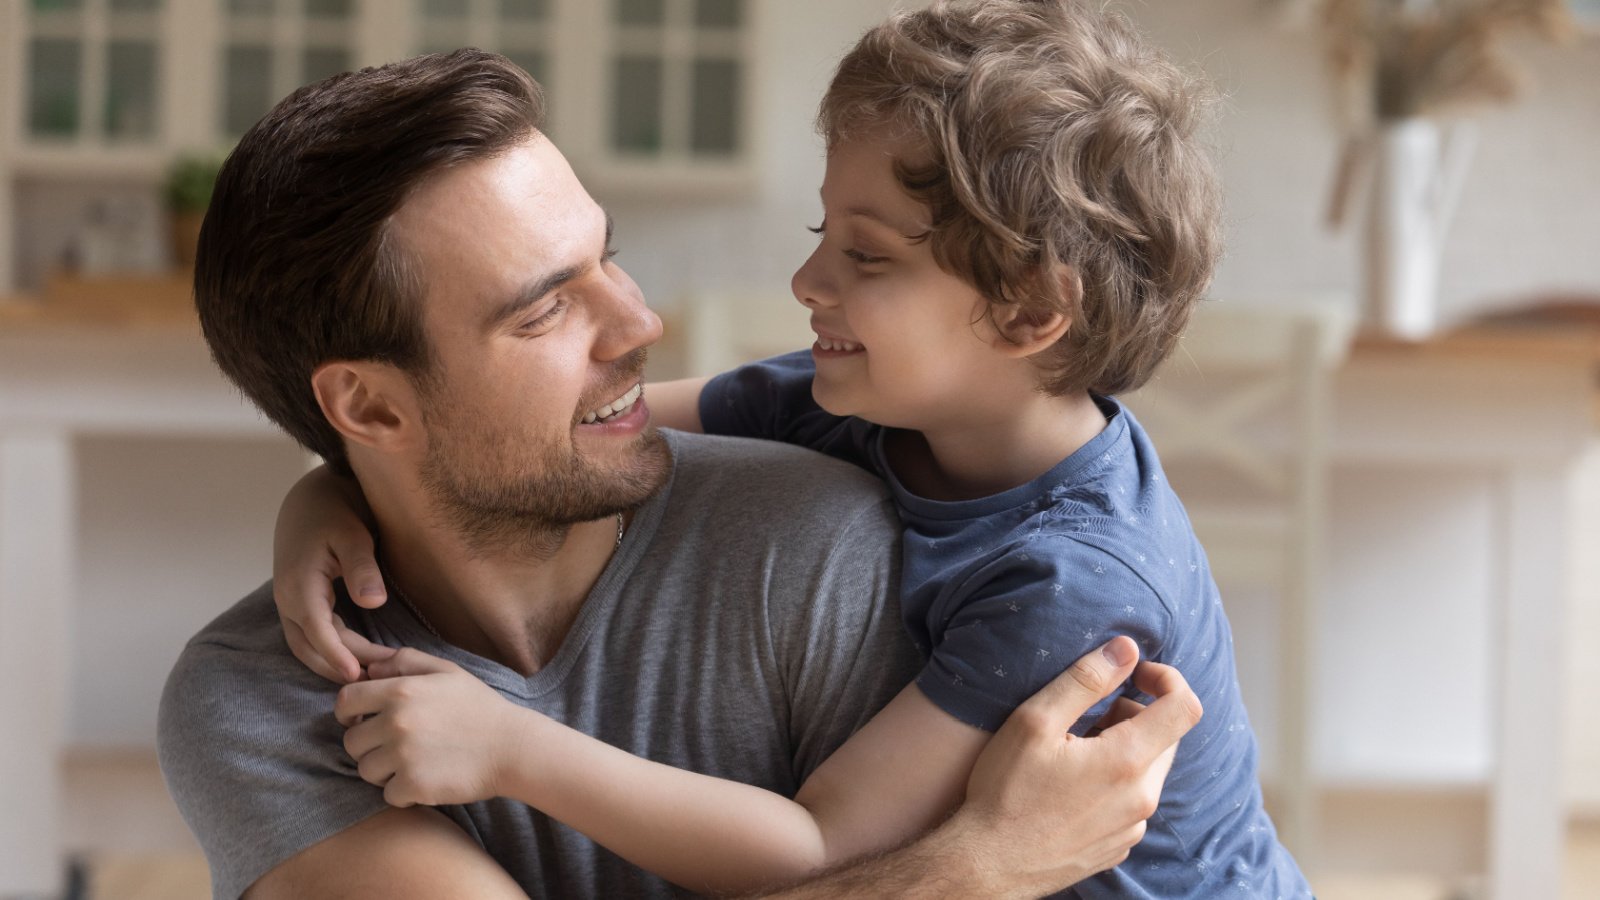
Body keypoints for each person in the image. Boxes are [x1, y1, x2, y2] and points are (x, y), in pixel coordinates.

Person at [269, 2, 1309, 897]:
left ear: (1029, 311)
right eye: (823, 232)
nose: (809, 281)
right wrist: (330, 489)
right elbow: (550, 440)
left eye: (865, 255)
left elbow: (819, 846)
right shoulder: (860, 401)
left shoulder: (1073, 582)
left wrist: (511, 748)